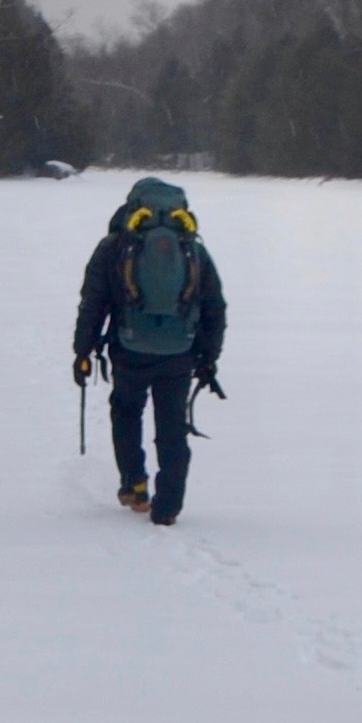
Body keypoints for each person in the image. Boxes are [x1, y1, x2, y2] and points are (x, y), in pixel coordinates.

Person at [71, 175, 225, 525]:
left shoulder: (113, 247)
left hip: (129, 349)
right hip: (179, 352)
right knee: (172, 428)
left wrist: (83, 351)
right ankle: (168, 506)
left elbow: (93, 303)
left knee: (126, 412)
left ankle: (135, 485)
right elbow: (215, 307)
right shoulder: (193, 250)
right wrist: (208, 357)